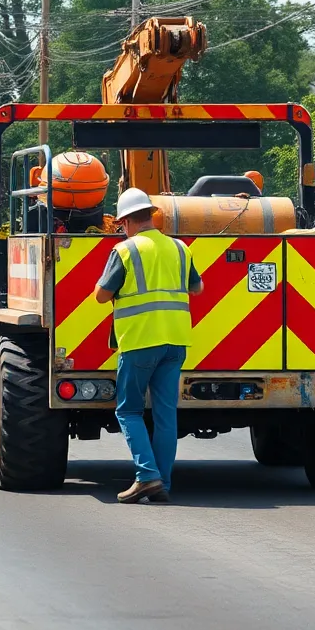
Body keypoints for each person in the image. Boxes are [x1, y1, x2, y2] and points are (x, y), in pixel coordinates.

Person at [94, 188, 204, 504]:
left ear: (126, 220)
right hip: (176, 341)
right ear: (150, 215)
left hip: (141, 340)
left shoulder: (125, 251)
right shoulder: (181, 248)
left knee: (128, 410)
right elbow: (198, 288)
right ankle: (162, 483)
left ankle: (147, 476)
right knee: (166, 414)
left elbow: (102, 295)